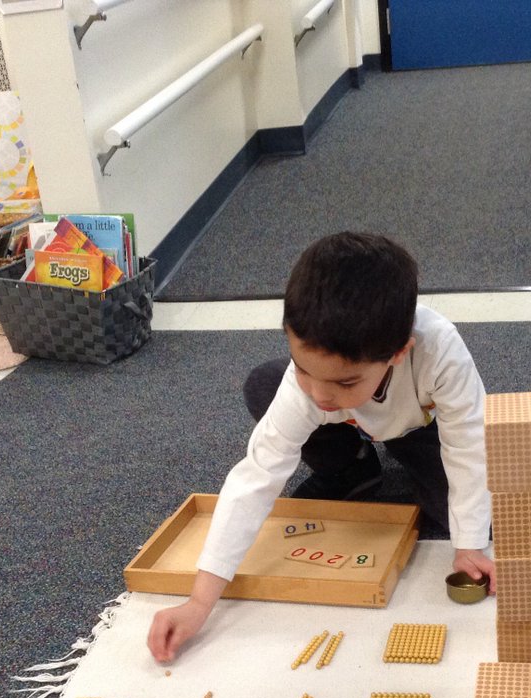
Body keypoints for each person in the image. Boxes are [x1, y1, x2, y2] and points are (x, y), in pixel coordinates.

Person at [148, 232, 495, 663]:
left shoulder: (440, 350)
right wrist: (199, 601)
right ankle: (353, 468)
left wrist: (468, 544)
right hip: (350, 424)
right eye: (303, 368)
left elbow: (468, 446)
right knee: (266, 385)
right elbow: (258, 474)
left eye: (344, 381)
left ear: (398, 352)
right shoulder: (312, 388)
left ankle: (395, 459)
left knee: (465, 515)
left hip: (420, 428)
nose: (318, 392)